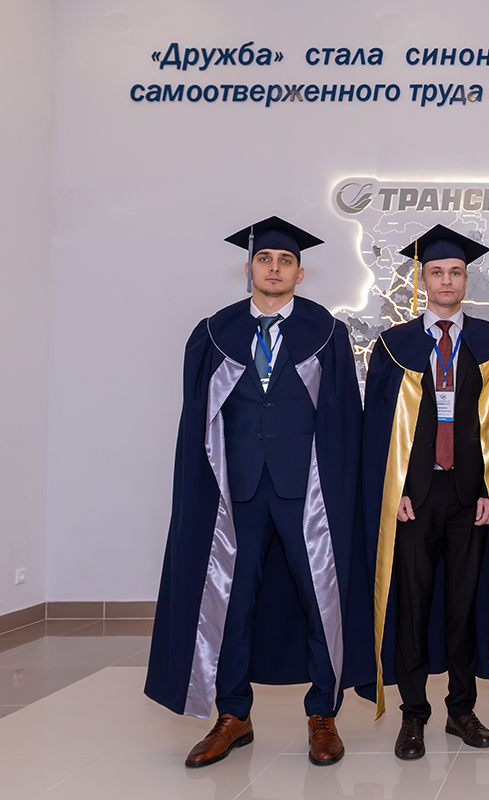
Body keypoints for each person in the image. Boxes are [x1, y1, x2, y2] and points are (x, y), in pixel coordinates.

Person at [145, 216, 368, 767]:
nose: (274, 268)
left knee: (320, 601)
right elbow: (196, 419)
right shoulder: (214, 332)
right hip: (236, 492)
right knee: (231, 604)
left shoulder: (326, 332)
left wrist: (343, 493)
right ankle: (233, 715)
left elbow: (344, 420)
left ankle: (322, 714)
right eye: (265, 259)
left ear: (299, 272)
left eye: (285, 260)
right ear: (248, 268)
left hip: (306, 492)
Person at [358, 225, 489, 760]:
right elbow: (378, 426)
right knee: (414, 605)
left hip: (471, 497)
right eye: (437, 272)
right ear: (421, 280)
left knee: (463, 606)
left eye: (456, 272)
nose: (447, 280)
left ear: (467, 280)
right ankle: (414, 713)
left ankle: (462, 709)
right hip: (414, 498)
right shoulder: (395, 346)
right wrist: (394, 488)